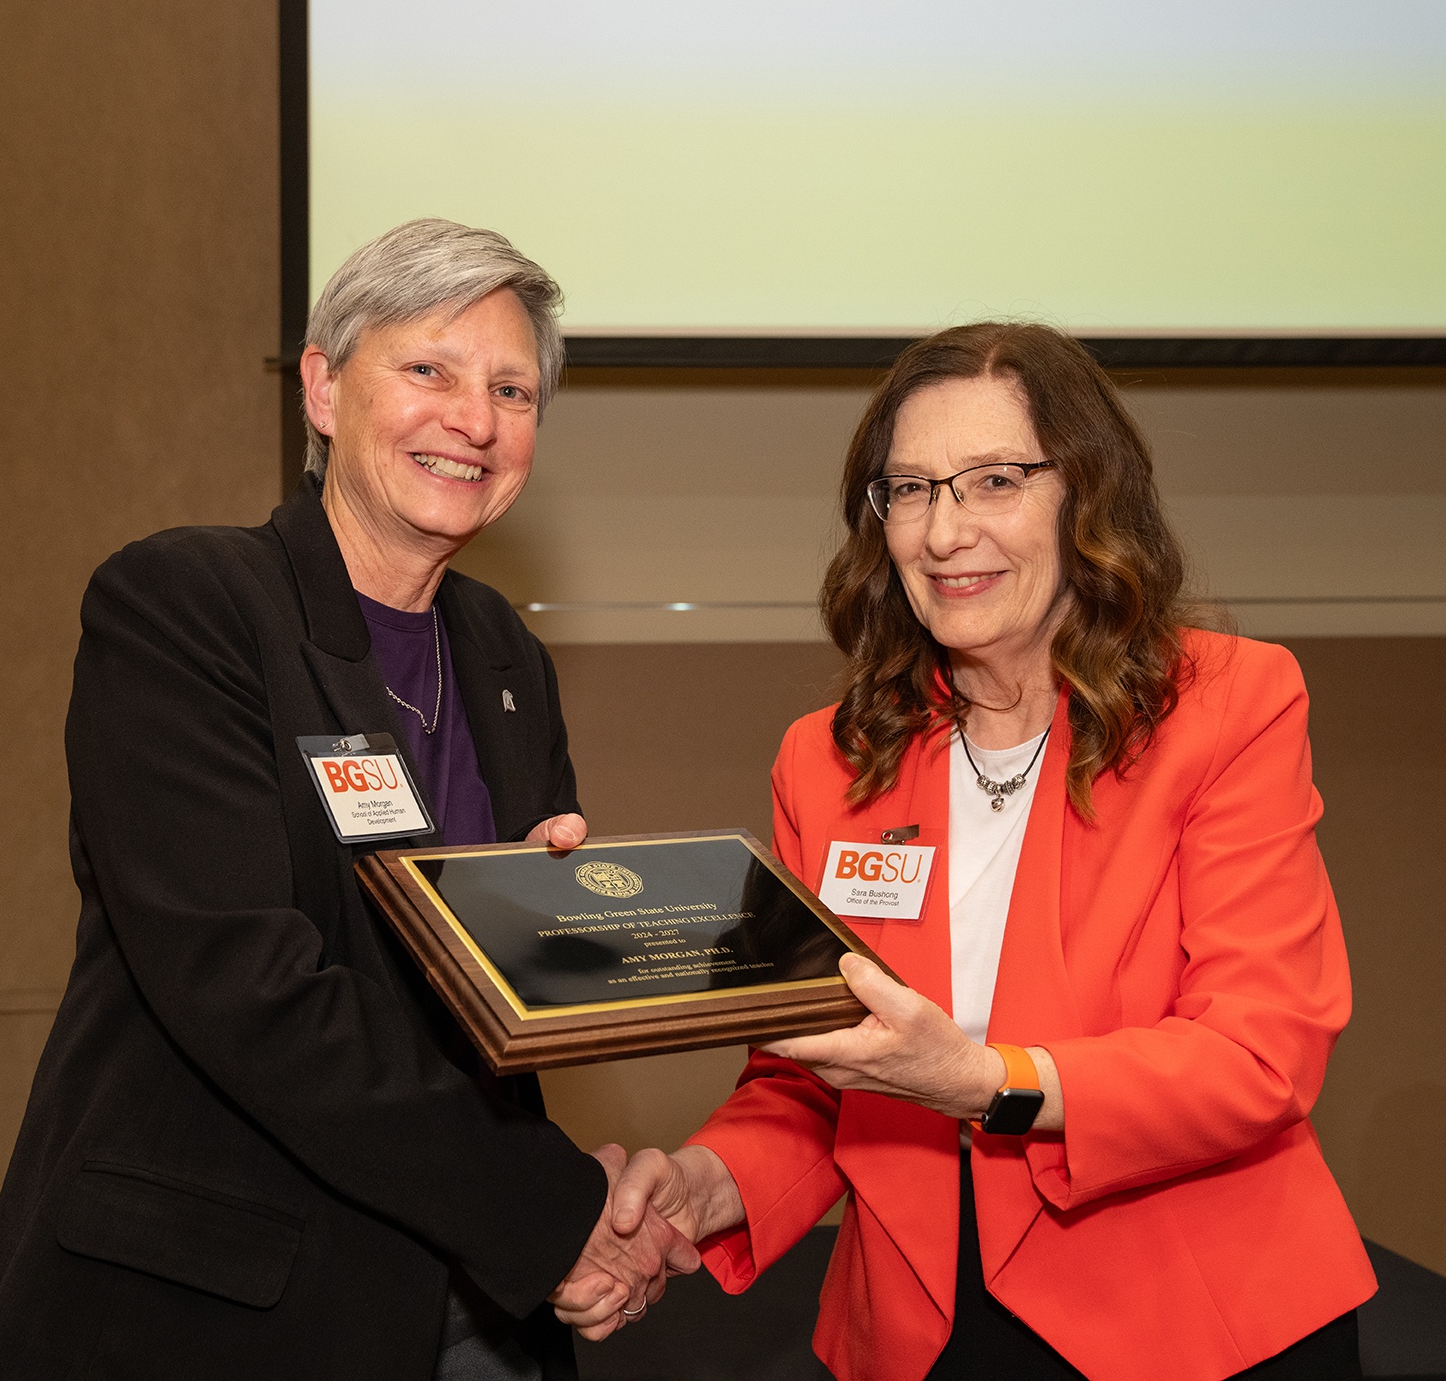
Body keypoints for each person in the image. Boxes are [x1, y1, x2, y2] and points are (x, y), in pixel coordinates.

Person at [0, 219, 692, 1381]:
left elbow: (472, 1003)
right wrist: (555, 1214)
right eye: (428, 370)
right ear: (321, 385)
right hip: (217, 1305)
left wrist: (573, 931)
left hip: (466, 1302)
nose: (473, 418)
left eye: (511, 388)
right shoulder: (186, 605)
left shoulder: (502, 654)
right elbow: (250, 989)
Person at [589, 324, 1378, 1381]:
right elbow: (810, 1079)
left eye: (994, 479)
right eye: (909, 489)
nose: (945, 529)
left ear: (1087, 497)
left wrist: (982, 1081)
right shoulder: (827, 760)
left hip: (1190, 1321)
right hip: (919, 1328)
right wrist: (705, 1178)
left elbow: (1255, 1054)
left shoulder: (1225, 705)